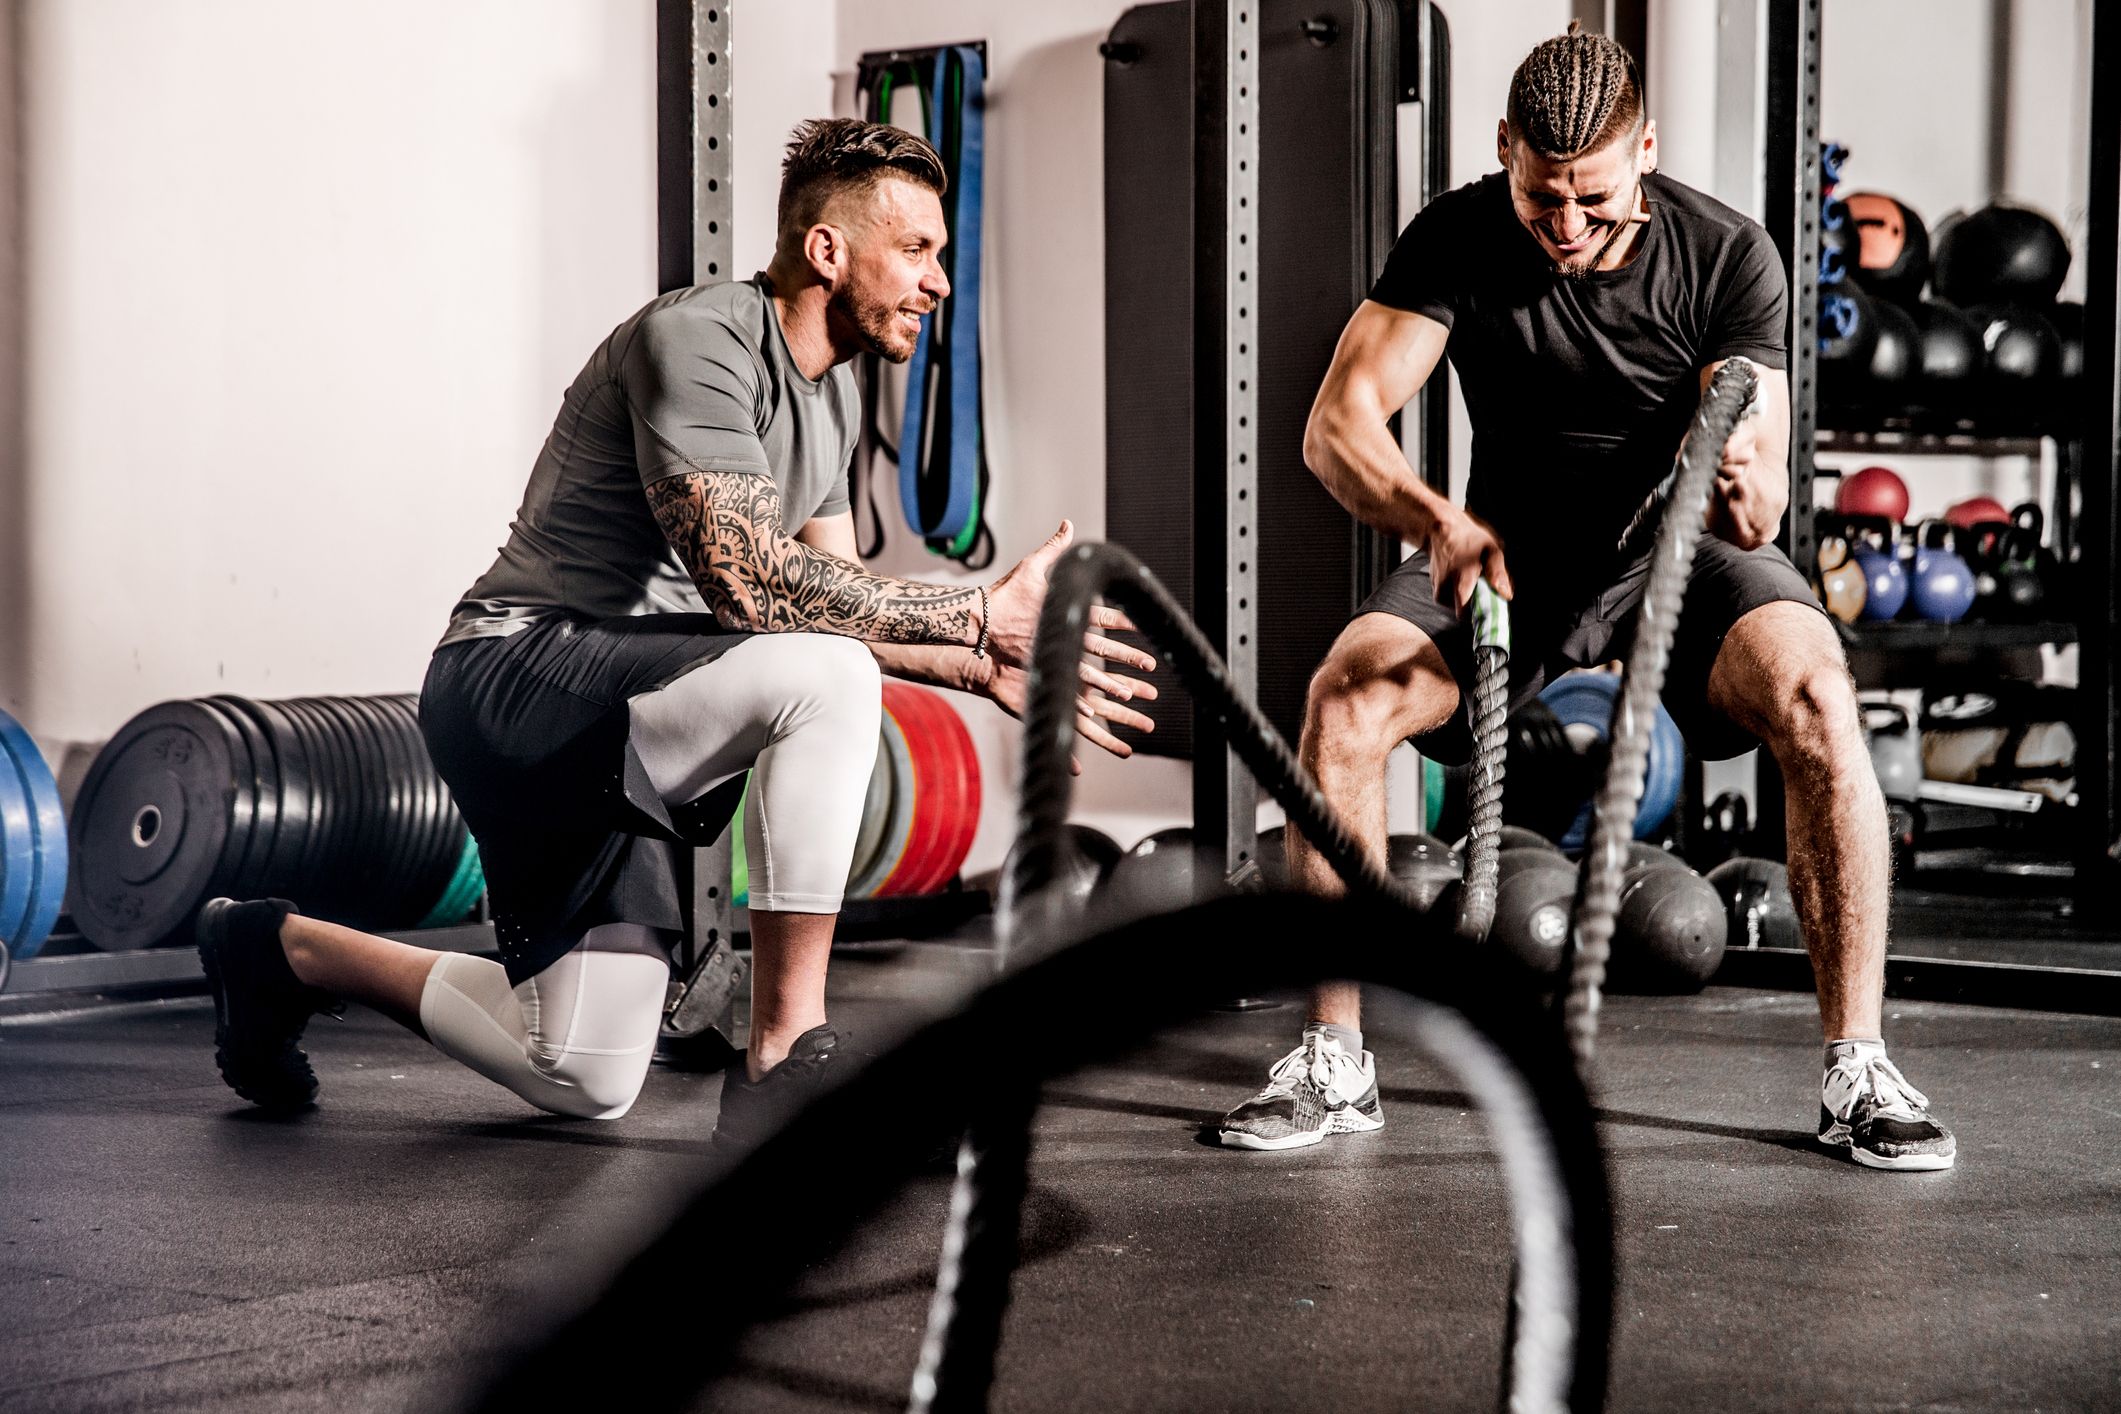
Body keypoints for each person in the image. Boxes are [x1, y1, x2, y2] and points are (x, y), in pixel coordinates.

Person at [198, 117, 1155, 1144]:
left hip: (626, 711)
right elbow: (752, 585)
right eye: (917, 251)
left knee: (582, 1071)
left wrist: (983, 661)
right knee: (823, 676)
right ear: (828, 250)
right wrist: (974, 610)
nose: (940, 284)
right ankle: (785, 1056)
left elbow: (828, 598)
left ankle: (277, 951)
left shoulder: (830, 401)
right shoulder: (697, 339)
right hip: (517, 673)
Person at [1214, 26, 1954, 1171]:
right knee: (1343, 704)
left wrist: (1749, 477)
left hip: (1677, 556)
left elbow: (1752, 505)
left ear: (1645, 155)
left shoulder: (1727, 256)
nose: (1566, 225)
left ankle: (1858, 1066)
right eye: (1542, 197)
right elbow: (1334, 427)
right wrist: (1435, 519)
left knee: (1815, 691)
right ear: (1505, 151)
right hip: (1502, 552)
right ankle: (1334, 1060)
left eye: (1595, 202)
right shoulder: (1458, 238)